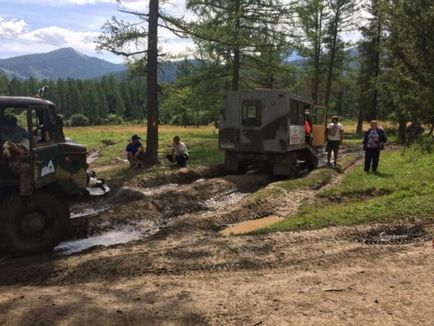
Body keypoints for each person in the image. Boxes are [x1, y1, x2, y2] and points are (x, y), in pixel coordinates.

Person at [0, 115, 33, 196]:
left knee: (26, 168)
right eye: (5, 125)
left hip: (15, 157)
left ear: (14, 126)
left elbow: (31, 141)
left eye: (9, 125)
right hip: (2, 155)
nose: (6, 127)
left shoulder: (20, 131)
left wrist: (27, 153)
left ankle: (25, 195)